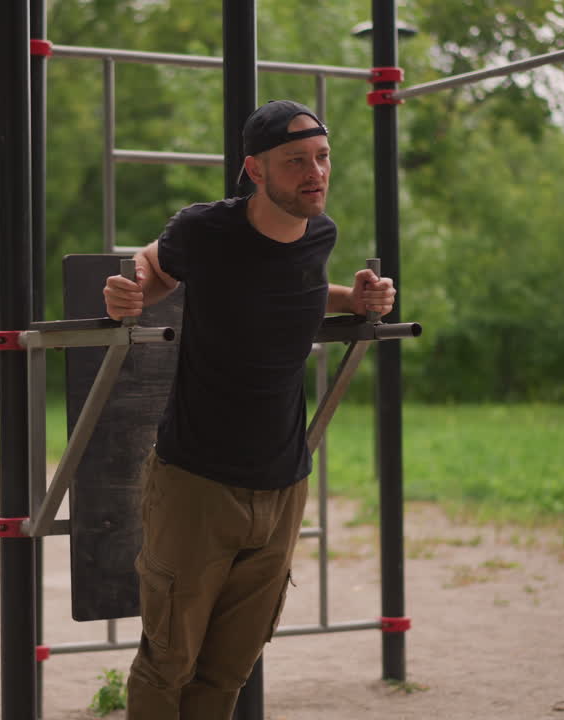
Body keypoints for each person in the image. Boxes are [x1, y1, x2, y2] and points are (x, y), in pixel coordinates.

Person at [102, 99, 397, 719]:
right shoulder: (206, 230)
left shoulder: (321, 233)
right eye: (295, 162)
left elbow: (299, 289)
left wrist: (359, 296)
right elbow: (155, 265)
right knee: (167, 664)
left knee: (228, 669)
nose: (314, 173)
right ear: (255, 171)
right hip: (196, 481)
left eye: (321, 158)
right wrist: (129, 289)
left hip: (285, 482)